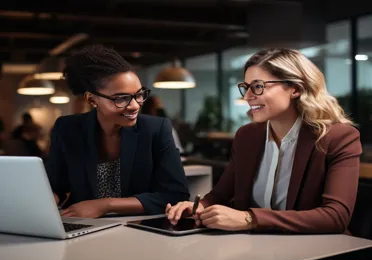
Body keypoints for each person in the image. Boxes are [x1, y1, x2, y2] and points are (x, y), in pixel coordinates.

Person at [166, 48, 362, 235]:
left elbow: (336, 216)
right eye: (246, 87)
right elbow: (221, 195)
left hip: (318, 256)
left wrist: (249, 219)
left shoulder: (338, 137)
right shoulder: (247, 136)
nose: (248, 97)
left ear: (295, 88)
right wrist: (199, 207)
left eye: (258, 86)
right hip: (254, 252)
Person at [46, 44, 189, 218]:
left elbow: (175, 195)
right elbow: (57, 186)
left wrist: (105, 205)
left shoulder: (156, 130)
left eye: (139, 94)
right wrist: (47, 199)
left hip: (139, 227)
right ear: (92, 99)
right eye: (122, 98)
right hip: (82, 225)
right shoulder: (68, 129)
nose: (135, 105)